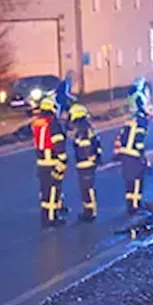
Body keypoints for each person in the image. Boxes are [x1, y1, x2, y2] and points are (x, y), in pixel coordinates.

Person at [30, 96, 69, 227]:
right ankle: (52, 218)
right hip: (52, 161)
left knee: (45, 191)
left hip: (41, 162)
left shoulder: (37, 123)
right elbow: (58, 143)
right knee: (53, 191)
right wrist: (63, 161)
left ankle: (45, 215)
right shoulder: (52, 123)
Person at [68, 103, 102, 221]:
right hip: (87, 162)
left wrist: (87, 161)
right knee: (86, 188)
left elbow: (84, 147)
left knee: (87, 188)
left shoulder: (83, 129)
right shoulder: (87, 127)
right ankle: (88, 210)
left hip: (85, 162)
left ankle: (90, 212)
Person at [114, 110, 149, 216]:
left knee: (129, 181)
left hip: (125, 155)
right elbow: (139, 144)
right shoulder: (140, 125)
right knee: (137, 181)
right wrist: (143, 158)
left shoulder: (128, 124)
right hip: (134, 156)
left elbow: (119, 139)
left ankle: (130, 205)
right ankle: (135, 206)